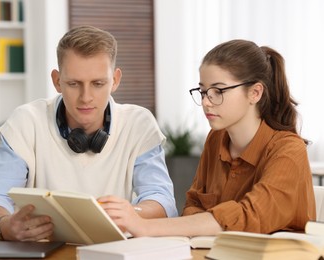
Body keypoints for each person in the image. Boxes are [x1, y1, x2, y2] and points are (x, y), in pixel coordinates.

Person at [0, 25, 178, 241]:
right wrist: (4, 225)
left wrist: (131, 215)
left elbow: (161, 199)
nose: (86, 97)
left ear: (115, 80)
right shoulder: (26, 121)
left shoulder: (139, 124)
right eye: (73, 84)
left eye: (98, 83)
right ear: (57, 81)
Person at [99, 39, 316, 237]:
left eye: (218, 91)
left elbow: (250, 216)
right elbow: (193, 205)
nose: (206, 102)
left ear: (255, 93)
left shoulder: (288, 150)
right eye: (203, 92)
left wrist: (144, 226)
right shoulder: (216, 138)